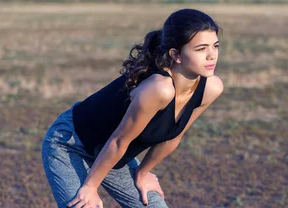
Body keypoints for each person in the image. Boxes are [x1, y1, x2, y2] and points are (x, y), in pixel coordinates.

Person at [41, 8, 224, 208]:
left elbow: (174, 137)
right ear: (176, 55)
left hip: (111, 155)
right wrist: (90, 187)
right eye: (201, 49)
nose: (211, 55)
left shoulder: (211, 88)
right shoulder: (159, 88)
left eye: (215, 46)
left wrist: (143, 173)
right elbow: (119, 141)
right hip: (70, 144)